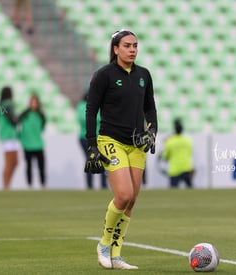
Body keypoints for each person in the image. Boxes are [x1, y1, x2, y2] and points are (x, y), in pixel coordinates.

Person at [85, 29, 158, 270]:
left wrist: (152, 131)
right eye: (127, 45)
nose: (133, 49)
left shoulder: (144, 75)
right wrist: (92, 144)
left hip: (136, 145)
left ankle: (116, 255)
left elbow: (150, 108)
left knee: (132, 200)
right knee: (124, 195)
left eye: (135, 45)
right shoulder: (104, 75)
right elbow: (91, 109)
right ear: (116, 49)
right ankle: (104, 245)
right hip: (111, 140)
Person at [76, 93, 107, 190]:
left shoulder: (100, 105)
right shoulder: (82, 105)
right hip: (86, 138)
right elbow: (83, 119)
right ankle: (90, 185)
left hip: (100, 137)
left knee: (102, 161)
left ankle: (103, 185)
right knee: (91, 159)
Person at [18, 94, 47, 189]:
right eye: (32, 102)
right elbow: (17, 126)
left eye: (35, 102)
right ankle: (30, 185)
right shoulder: (24, 115)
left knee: (41, 167)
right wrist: (21, 137)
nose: (33, 104)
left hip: (38, 144)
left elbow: (42, 127)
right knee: (29, 166)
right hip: (27, 145)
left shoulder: (40, 115)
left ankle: (43, 185)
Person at [0, 86, 19, 190]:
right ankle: (6, 185)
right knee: (10, 162)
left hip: (9, 136)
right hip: (8, 136)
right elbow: (12, 119)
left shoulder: (0, 106)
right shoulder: (6, 105)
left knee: (14, 161)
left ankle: (7, 184)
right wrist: (19, 118)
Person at [161, 119, 194, 188]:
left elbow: (165, 157)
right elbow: (190, 153)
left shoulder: (170, 141)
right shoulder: (188, 141)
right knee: (191, 191)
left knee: (173, 193)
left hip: (174, 170)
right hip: (186, 168)